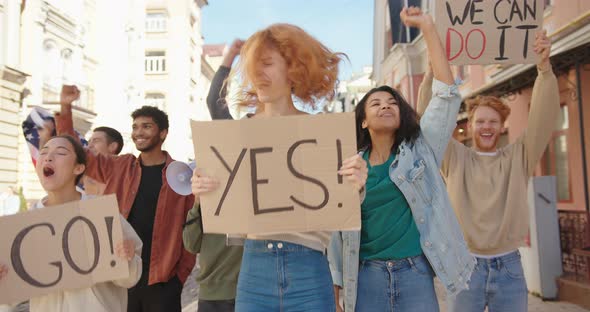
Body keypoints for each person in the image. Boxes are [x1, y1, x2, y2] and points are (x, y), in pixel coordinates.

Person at [192, 23, 367, 311]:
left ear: (294, 68)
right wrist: (205, 188)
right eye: (253, 66)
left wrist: (356, 184)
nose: (257, 74)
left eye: (267, 64)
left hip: (309, 267)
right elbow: (226, 196)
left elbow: (340, 204)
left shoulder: (321, 132)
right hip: (253, 267)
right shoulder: (237, 136)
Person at [328, 7, 474, 312]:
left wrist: (429, 28)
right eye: (376, 103)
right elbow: (337, 232)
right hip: (366, 277)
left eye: (392, 102)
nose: (385, 106)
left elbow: (446, 95)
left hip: (415, 275)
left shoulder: (421, 149)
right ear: (363, 121)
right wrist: (336, 289)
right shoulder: (349, 166)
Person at [416, 30, 558, 312]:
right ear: (469, 126)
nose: (486, 127)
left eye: (493, 121)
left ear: (502, 126)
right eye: (480, 121)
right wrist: (431, 75)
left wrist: (544, 69)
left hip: (509, 267)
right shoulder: (454, 157)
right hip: (464, 266)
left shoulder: (519, 156)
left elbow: (543, 116)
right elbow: (428, 125)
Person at [55, 95, 196, 312]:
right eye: (135, 127)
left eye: (147, 126)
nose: (139, 132)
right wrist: (66, 107)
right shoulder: (119, 166)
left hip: (162, 281)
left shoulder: (180, 175)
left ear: (163, 133)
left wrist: (179, 276)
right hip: (122, 275)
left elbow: (191, 227)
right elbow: (78, 153)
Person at [0, 135, 142, 312]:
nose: (48, 157)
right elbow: (9, 300)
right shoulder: (23, 226)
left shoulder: (100, 213)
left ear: (79, 168)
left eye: (60, 152)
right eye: (44, 152)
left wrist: (127, 257)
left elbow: (130, 279)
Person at [182, 39, 245, 312]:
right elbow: (215, 103)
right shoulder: (211, 190)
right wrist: (229, 59)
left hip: (255, 289)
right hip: (215, 293)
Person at [56, 85, 125, 195]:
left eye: (96, 141)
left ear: (113, 146)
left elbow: (70, 145)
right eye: (89, 141)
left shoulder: (123, 170)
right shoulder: (80, 172)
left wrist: (65, 106)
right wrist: (65, 105)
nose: (90, 145)